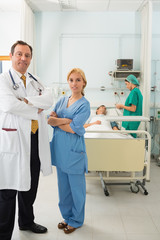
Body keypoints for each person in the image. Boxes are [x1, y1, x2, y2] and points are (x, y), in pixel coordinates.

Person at [0, 40, 53, 240]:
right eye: (19, 54)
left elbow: (49, 99)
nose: (23, 58)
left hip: (34, 138)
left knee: (30, 186)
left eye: (27, 55)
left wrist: (25, 101)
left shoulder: (34, 79)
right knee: (7, 190)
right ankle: (4, 233)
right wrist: (34, 107)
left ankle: (26, 222)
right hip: (13, 139)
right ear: (12, 56)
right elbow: (8, 105)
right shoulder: (3, 80)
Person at [48, 68, 90, 234]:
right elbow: (50, 120)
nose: (74, 83)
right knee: (63, 188)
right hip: (60, 150)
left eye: (78, 80)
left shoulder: (84, 105)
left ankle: (77, 220)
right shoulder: (62, 100)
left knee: (76, 189)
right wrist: (63, 120)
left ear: (83, 83)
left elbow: (74, 128)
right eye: (71, 80)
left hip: (74, 152)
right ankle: (67, 217)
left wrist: (58, 121)